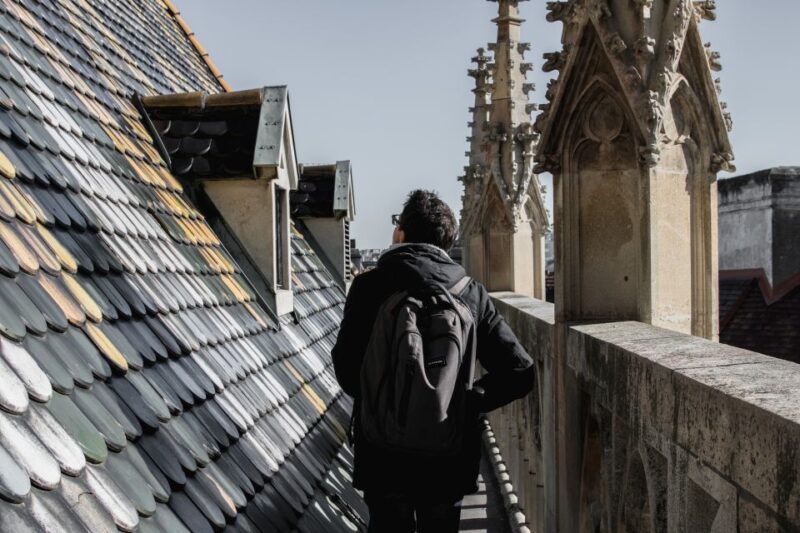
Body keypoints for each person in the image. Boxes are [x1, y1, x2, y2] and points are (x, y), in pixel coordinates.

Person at [332, 190, 535, 533]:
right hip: (447, 457)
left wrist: (386, 402)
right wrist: (467, 401)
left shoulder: (369, 286)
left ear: (401, 233)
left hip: (383, 459)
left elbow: (346, 367)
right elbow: (520, 371)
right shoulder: (471, 294)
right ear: (449, 240)